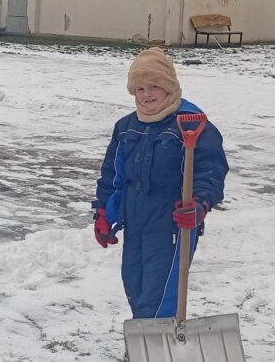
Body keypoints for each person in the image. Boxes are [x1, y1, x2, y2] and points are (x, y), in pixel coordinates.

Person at [92, 48, 228, 319]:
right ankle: (146, 345)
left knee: (160, 295)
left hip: (172, 225)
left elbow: (211, 170)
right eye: (139, 88)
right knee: (135, 286)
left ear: (169, 87)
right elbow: (113, 175)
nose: (147, 95)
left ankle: (156, 349)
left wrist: (200, 204)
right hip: (136, 222)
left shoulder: (191, 124)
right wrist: (104, 212)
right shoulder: (127, 127)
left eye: (154, 86)